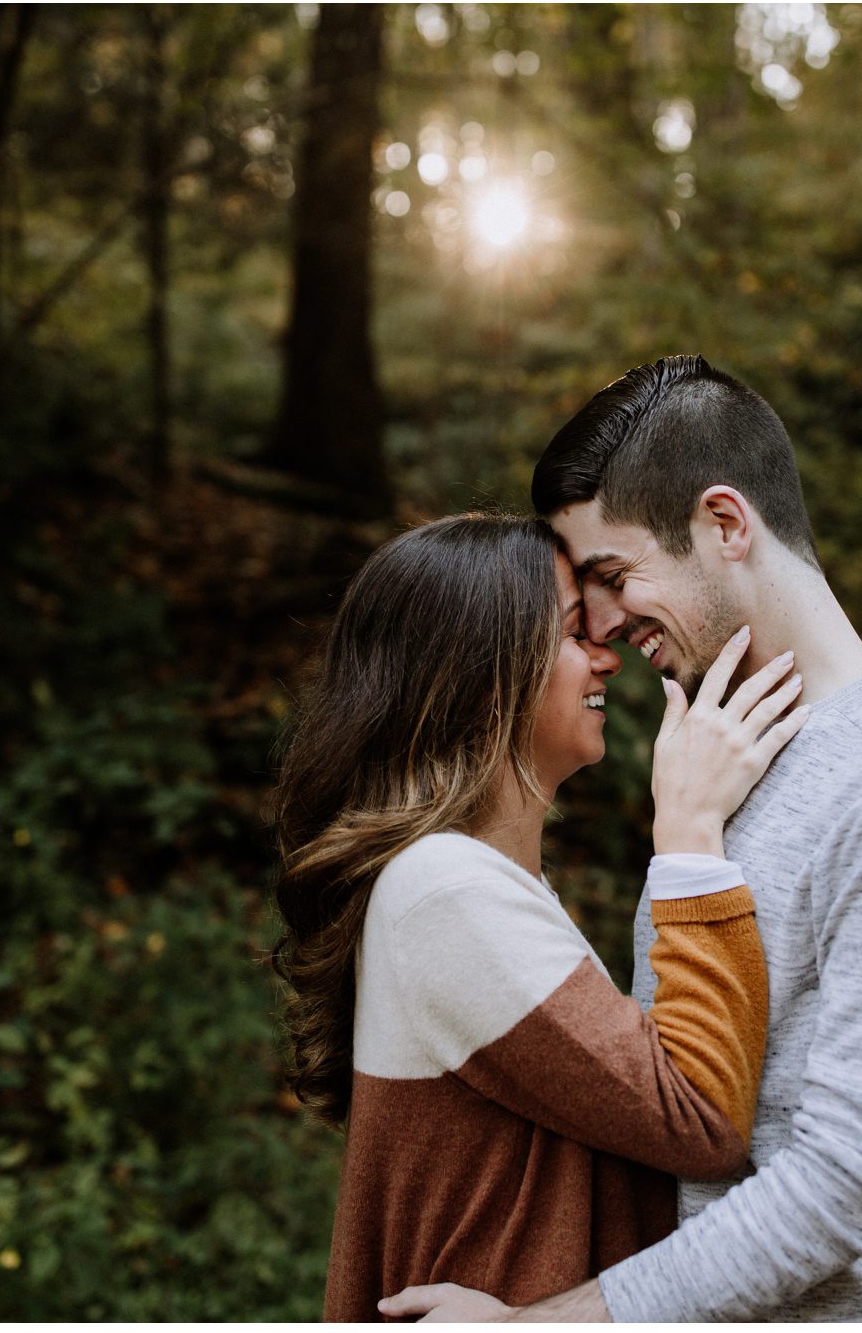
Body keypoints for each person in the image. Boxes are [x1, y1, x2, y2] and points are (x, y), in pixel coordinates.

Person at [381, 356, 862, 1322]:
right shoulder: (718, 767)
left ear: (724, 525)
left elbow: (855, 1179)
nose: (598, 625)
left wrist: (547, 1325)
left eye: (612, 575)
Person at [269, 512, 812, 1321]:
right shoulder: (446, 889)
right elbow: (699, 1116)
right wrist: (691, 838)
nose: (608, 658)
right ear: (483, 674)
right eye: (571, 632)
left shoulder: (464, 884)